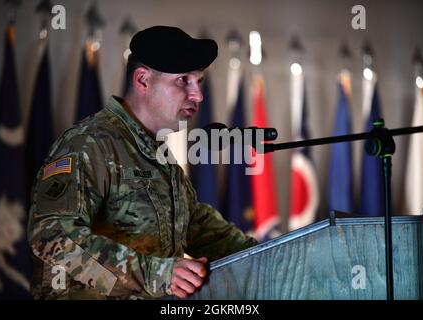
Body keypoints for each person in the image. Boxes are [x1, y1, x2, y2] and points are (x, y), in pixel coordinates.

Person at [27, 25, 257, 300]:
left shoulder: (156, 153)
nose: (198, 95)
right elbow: (52, 236)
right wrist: (157, 273)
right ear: (143, 80)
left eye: (199, 81)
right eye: (184, 80)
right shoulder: (90, 144)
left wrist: (273, 254)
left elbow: (196, 225)